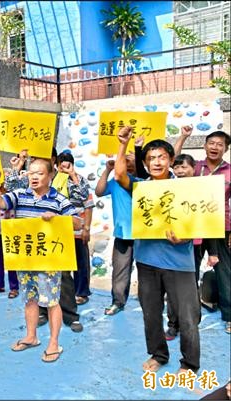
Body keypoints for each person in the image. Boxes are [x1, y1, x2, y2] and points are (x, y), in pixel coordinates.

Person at [114, 127, 200, 373]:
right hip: (147, 262)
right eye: (151, 158)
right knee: (151, 314)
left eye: (162, 157)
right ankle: (159, 354)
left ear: (172, 160)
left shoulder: (186, 188)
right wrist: (123, 143)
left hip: (180, 263)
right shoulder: (140, 187)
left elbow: (199, 221)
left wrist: (186, 236)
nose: (156, 162)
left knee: (187, 317)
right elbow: (120, 173)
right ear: (144, 163)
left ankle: (190, 363)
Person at [0, 157, 81, 362]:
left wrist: (57, 219)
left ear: (50, 175)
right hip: (25, 259)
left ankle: (54, 343)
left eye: (39, 173)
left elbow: (77, 222)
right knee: (30, 299)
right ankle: (31, 337)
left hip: (49, 261)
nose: (34, 177)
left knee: (51, 301)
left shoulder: (59, 199)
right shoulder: (20, 194)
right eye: (31, 173)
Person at [175, 128, 230, 334]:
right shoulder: (194, 167)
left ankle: (229, 316)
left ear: (225, 149)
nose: (215, 147)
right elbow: (175, 160)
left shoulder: (230, 170)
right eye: (211, 143)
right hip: (194, 226)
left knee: (225, 272)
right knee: (191, 271)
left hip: (221, 227)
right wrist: (183, 137)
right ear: (205, 146)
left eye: (220, 144)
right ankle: (190, 316)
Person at [95, 153, 136, 316]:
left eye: (132, 160)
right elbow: (99, 191)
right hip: (122, 233)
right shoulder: (116, 182)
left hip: (146, 235)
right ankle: (118, 302)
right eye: (125, 161)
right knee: (120, 270)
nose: (129, 163)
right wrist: (107, 170)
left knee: (150, 272)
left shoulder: (144, 181)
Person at [53, 152, 94, 305]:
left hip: (78, 230)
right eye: (61, 165)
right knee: (62, 266)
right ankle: (64, 293)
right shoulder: (55, 181)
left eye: (67, 164)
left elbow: (88, 205)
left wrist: (86, 228)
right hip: (60, 231)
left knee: (81, 264)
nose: (64, 168)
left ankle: (82, 292)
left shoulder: (80, 180)